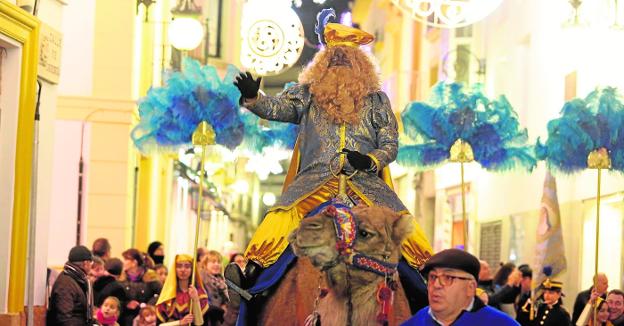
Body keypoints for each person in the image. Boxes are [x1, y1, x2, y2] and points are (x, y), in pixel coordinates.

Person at [230, 11, 432, 294]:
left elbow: (390, 144)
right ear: (322, 64)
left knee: (400, 220)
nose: (340, 64)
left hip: (365, 184)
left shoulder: (377, 100)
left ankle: (427, 273)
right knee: (282, 213)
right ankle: (252, 272)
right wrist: (254, 99)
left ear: (361, 65)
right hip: (314, 181)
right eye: (334, 58)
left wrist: (370, 160)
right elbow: (279, 109)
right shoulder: (307, 94)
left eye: (347, 59)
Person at [401, 249, 519, 325]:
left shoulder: (500, 323)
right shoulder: (416, 322)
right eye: (432, 277)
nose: (436, 285)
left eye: (448, 278)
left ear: (470, 287)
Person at [47, 245, 95, 326]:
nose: (91, 266)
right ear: (85, 263)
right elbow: (64, 319)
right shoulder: (66, 284)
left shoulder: (76, 279)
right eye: (91, 263)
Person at [156, 254, 209, 324]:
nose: (183, 270)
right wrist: (180, 322)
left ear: (192, 269)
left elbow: (199, 323)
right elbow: (160, 324)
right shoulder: (168, 293)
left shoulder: (199, 293)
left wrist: (195, 299)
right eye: (179, 266)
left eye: (187, 266)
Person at [119, 248, 162, 325]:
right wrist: (126, 304)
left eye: (126, 259)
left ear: (134, 262)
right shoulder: (121, 279)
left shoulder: (151, 277)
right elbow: (116, 298)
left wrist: (148, 306)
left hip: (148, 317)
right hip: (127, 317)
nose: (123, 262)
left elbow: (160, 294)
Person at [200, 250, 229, 325]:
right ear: (205, 264)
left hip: (220, 317)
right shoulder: (202, 279)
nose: (216, 264)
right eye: (213, 262)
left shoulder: (222, 279)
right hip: (208, 316)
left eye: (218, 262)